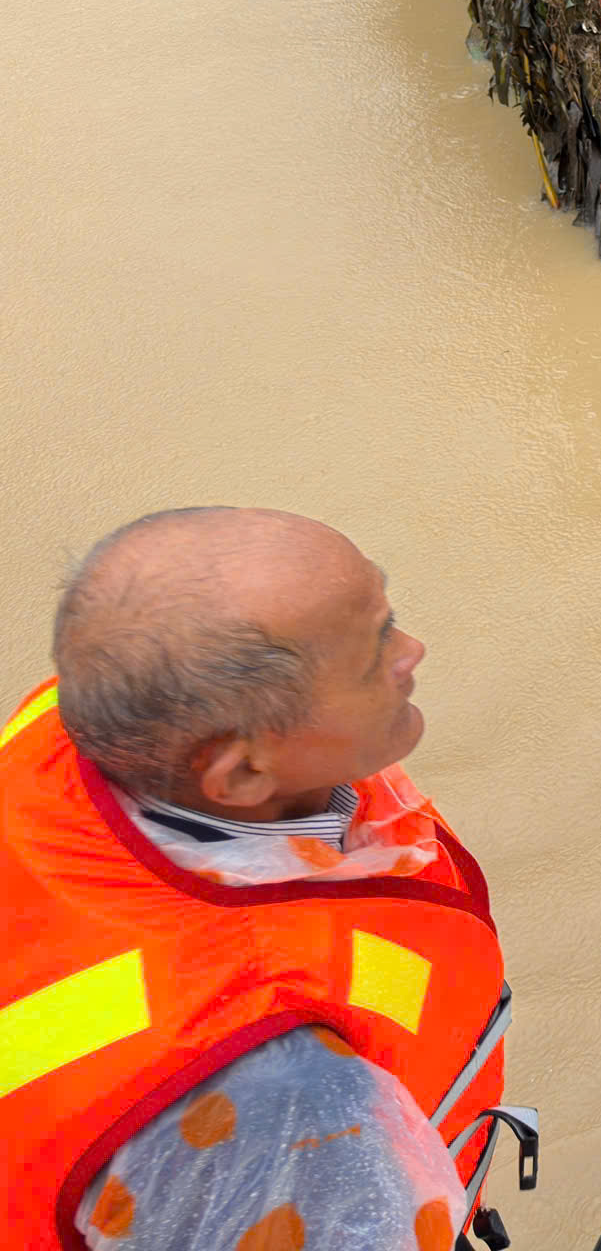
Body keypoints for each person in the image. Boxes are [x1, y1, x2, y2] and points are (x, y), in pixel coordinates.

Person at [2, 508, 523, 1251]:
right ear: (242, 773)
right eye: (375, 653)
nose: (413, 651)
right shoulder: (288, 1105)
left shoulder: (82, 726)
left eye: (389, 615)